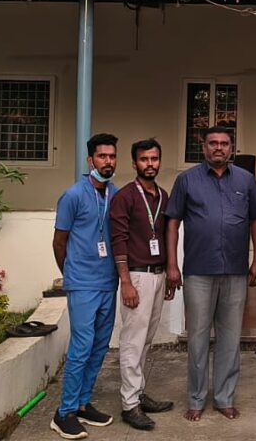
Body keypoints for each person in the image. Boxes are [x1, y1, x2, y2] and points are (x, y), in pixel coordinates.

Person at [165, 126, 256, 423]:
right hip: (198, 271)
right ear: (204, 147)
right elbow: (172, 223)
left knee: (230, 338)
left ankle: (224, 397)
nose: (218, 148)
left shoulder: (246, 181)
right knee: (197, 338)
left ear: (231, 148)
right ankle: (196, 398)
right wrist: (172, 264)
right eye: (213, 143)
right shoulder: (186, 181)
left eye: (224, 143)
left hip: (235, 271)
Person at [50, 133, 121, 440]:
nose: (108, 162)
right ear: (90, 160)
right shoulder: (73, 195)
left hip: (109, 281)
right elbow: (59, 241)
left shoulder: (115, 193)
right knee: (81, 346)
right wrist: (70, 273)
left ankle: (81, 403)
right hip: (82, 283)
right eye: (102, 156)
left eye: (112, 156)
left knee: (100, 345)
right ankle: (63, 413)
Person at [109, 138, 175, 431]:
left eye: (155, 159)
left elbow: (166, 235)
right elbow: (118, 240)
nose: (150, 164)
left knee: (146, 338)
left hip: (159, 274)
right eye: (144, 160)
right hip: (136, 276)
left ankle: (138, 392)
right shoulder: (125, 196)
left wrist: (170, 271)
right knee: (133, 341)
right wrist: (125, 282)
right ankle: (129, 405)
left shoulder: (162, 195)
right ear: (134, 163)